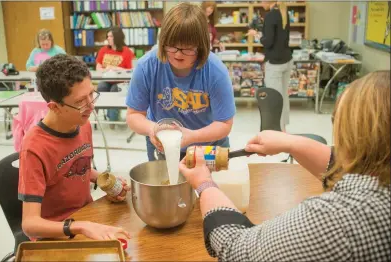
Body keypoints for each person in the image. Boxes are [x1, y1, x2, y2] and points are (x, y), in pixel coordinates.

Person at [179, 70, 390, 261]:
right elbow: (346, 168)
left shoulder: (339, 220)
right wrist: (289, 142)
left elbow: (237, 249)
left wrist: (204, 183)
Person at [18, 54, 131, 241]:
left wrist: (104, 181)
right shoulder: (34, 148)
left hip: (84, 215)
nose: (91, 106)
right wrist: (80, 227)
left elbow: (77, 165)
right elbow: (30, 225)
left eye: (92, 95)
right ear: (54, 107)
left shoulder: (82, 123)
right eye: (80, 102)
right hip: (56, 232)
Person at [125, 3, 236, 161]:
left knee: (205, 185)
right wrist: (152, 128)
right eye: (172, 46)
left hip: (206, 145)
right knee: (165, 184)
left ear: (201, 46)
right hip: (162, 145)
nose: (178, 54)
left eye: (188, 48)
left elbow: (224, 124)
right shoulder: (146, 66)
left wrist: (193, 136)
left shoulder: (215, 71)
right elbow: (134, 115)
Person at [248, 1, 292, 131]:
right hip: (287, 60)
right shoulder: (284, 13)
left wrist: (256, 35)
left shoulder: (271, 16)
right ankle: (283, 128)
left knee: (274, 98)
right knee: (283, 96)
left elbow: (268, 42)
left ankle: (277, 130)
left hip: (275, 63)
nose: (261, 3)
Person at [96, 27, 135, 126]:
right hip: (106, 79)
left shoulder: (127, 51)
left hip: (121, 81)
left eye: (111, 36)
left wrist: (115, 68)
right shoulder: (103, 50)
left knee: (115, 89)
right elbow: (98, 66)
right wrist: (106, 69)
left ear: (117, 37)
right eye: (107, 36)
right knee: (101, 87)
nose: (108, 38)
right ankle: (99, 118)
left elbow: (131, 71)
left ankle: (112, 120)